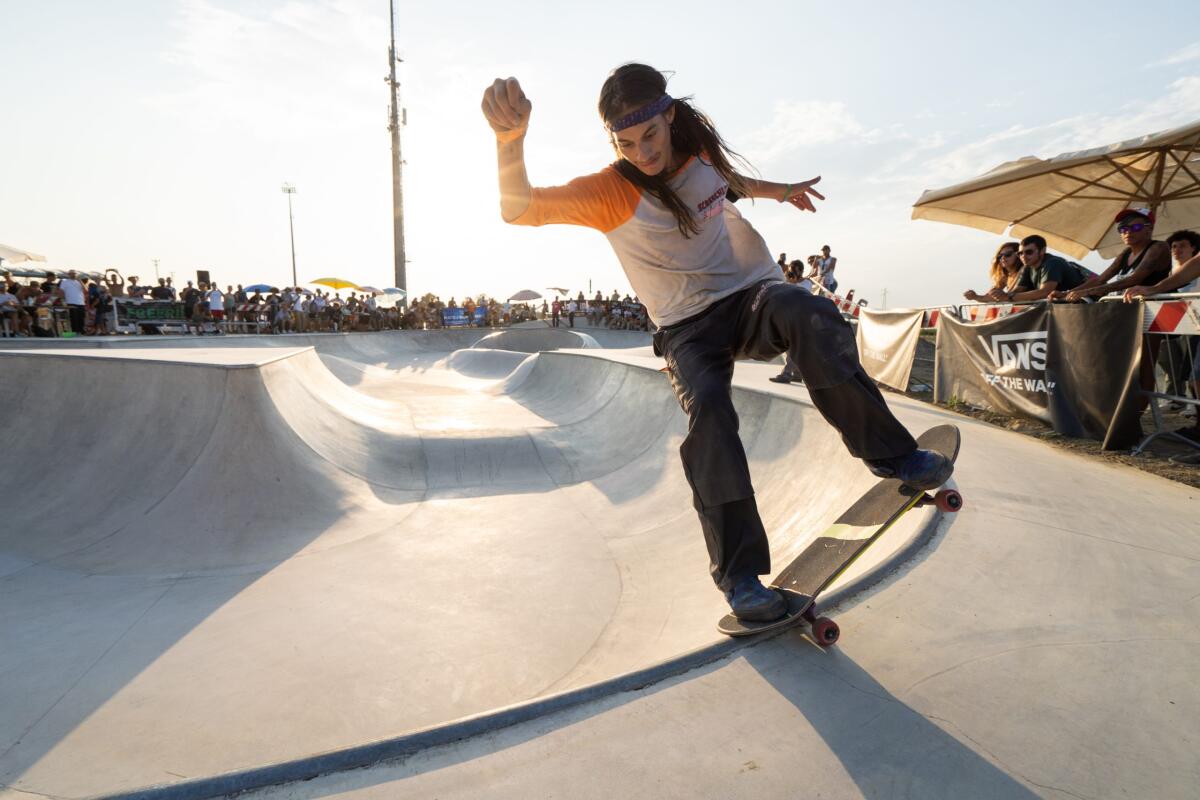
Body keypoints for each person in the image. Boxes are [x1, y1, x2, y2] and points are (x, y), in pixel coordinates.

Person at [481, 63, 952, 623]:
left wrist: (782, 192)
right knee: (708, 412)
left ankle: (893, 455)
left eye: (650, 135)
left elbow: (730, 183)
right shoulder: (610, 191)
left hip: (747, 300)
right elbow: (519, 208)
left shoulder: (700, 152)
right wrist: (509, 142)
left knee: (809, 310)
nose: (643, 153)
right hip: (686, 329)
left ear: (669, 116)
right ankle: (740, 575)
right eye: (626, 144)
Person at [1062, 208, 1170, 302]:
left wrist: (1087, 292)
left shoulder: (1159, 247)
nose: (1128, 232)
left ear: (1150, 229)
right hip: (1129, 306)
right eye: (1123, 229)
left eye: (1136, 227)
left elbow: (1134, 279)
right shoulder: (1126, 253)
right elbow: (1100, 280)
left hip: (1156, 308)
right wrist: (1067, 293)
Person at [990, 235, 1088, 302]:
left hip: (1086, 301)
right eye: (1020, 253)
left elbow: (1044, 292)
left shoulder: (1052, 263)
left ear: (1042, 251)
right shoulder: (1027, 267)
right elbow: (1017, 291)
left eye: (1029, 252)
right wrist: (1001, 295)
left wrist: (1008, 296)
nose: (1023, 256)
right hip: (1064, 305)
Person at [57, 269, 87, 334]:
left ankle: (81, 331)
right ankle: (74, 331)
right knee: (74, 318)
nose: (73, 275)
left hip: (81, 302)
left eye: (74, 274)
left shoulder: (79, 282)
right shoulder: (65, 281)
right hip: (71, 302)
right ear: (68, 274)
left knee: (81, 317)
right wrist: (63, 300)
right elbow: (61, 291)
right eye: (71, 274)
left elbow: (85, 290)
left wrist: (80, 281)